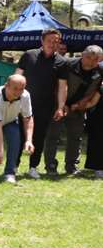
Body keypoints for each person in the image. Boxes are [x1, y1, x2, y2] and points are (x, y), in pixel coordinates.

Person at [15, 29, 65, 178]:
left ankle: (33, 167)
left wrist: (60, 107)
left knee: (39, 137)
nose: (53, 44)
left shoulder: (61, 62)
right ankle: (13, 166)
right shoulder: (29, 55)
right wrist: (13, 95)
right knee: (19, 136)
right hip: (23, 103)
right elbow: (17, 76)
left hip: (46, 106)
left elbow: (63, 87)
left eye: (56, 41)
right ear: (42, 41)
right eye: (49, 40)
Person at [47, 45, 103, 175]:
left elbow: (96, 87)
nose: (91, 62)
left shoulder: (100, 70)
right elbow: (56, 86)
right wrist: (62, 105)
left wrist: (85, 101)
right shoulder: (68, 64)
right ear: (82, 54)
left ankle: (71, 167)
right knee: (53, 136)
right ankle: (50, 166)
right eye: (88, 57)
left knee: (75, 137)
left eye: (95, 59)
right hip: (59, 104)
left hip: (79, 108)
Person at [83, 80, 103, 179]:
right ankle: (98, 168)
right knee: (98, 141)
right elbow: (92, 102)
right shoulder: (101, 86)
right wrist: (77, 106)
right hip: (98, 116)